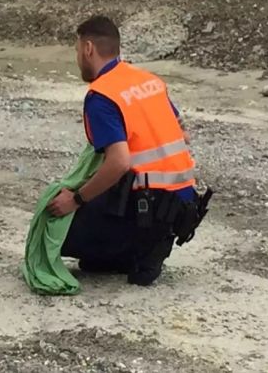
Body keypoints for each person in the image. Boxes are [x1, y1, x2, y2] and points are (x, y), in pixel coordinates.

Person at [45, 15, 202, 286]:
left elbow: (118, 162)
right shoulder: (148, 80)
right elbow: (183, 134)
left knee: (55, 221)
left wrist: (76, 199)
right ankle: (136, 250)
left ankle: (131, 249)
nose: (77, 57)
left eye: (76, 50)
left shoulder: (101, 96)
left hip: (148, 210)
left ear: (88, 48)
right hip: (181, 208)